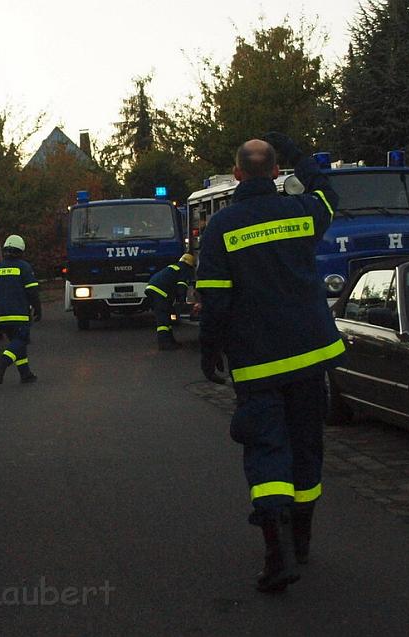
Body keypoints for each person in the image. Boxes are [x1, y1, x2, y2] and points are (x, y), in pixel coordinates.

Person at [196, 133, 343, 593]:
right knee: (306, 444)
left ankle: (275, 549)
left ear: (237, 174)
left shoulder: (221, 228)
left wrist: (210, 350)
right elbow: (329, 195)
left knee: (266, 448)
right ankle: (302, 537)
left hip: (258, 362)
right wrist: (301, 154)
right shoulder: (302, 214)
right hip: (311, 355)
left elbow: (215, 299)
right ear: (277, 173)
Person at [0, 235, 41, 384]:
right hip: (19, 315)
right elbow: (32, 292)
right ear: (21, 251)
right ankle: (2, 363)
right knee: (21, 340)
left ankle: (25, 374)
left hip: (2, 316)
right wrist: (38, 309)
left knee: (16, 344)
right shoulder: (24, 267)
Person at [145, 253, 196, 350]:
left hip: (153, 289)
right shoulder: (184, 270)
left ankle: (170, 341)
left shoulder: (175, 267)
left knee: (166, 316)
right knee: (163, 318)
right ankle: (164, 344)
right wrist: (182, 302)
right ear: (190, 265)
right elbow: (182, 286)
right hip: (160, 292)